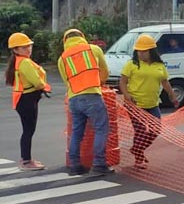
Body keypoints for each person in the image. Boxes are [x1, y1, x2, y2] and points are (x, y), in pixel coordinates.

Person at [58, 28, 114, 176]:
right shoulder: (93, 49)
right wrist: (100, 82)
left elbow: (67, 82)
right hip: (92, 96)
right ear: (82, 37)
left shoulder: (62, 59)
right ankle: (99, 164)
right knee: (101, 129)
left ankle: (75, 165)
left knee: (77, 132)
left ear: (65, 41)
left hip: (74, 99)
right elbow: (104, 71)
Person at [119, 35, 178, 170]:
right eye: (139, 51)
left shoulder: (159, 65)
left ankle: (136, 149)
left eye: (144, 51)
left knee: (155, 130)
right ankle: (139, 157)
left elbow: (164, 82)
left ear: (151, 51)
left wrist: (172, 96)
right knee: (140, 132)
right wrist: (127, 96)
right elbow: (122, 81)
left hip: (153, 104)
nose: (141, 53)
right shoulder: (131, 65)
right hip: (135, 105)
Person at [5, 32, 51, 171]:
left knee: (28, 130)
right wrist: (45, 87)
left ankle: (26, 159)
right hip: (27, 100)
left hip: (24, 100)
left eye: (29, 46)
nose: (28, 49)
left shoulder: (19, 62)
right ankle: (26, 161)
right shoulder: (24, 62)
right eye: (24, 47)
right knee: (28, 131)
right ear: (15, 50)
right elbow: (37, 82)